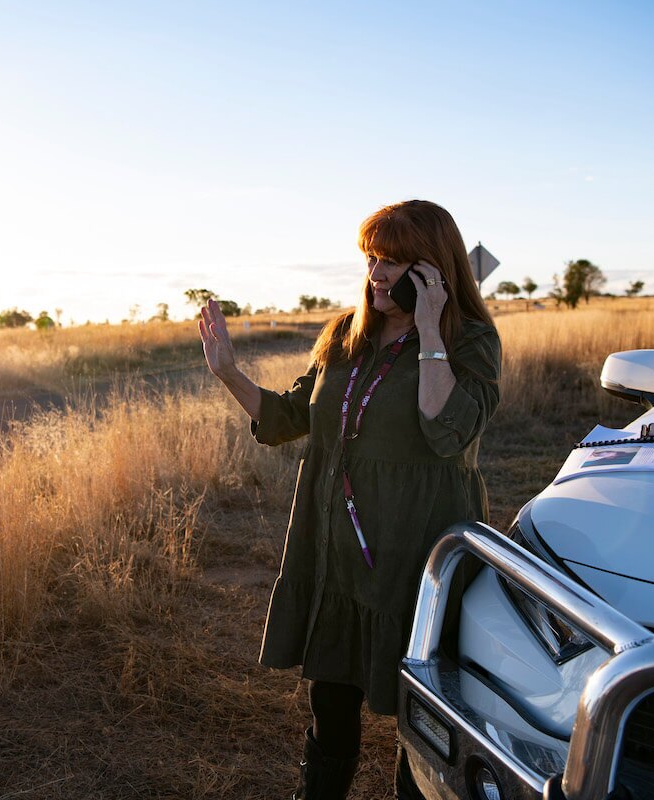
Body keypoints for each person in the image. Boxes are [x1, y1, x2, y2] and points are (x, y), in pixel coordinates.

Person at [198, 199, 501, 799]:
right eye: (370, 258)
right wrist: (229, 373)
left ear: (432, 269)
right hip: (338, 553)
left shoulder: (471, 342)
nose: (377, 273)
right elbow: (288, 418)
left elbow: (446, 430)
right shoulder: (345, 335)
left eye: (393, 260)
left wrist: (431, 329)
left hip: (414, 552)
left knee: (420, 727)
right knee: (329, 713)